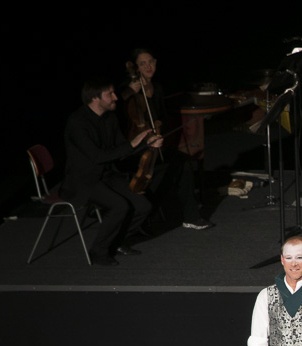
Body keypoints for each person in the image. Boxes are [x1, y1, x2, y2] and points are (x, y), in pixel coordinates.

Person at [62, 79, 161, 266]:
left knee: (143, 206)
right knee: (119, 206)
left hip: (107, 175)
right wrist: (133, 144)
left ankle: (116, 243)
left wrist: (147, 144)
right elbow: (97, 156)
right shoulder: (77, 122)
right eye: (110, 94)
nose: (116, 97)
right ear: (95, 98)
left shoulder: (110, 118)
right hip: (83, 180)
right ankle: (98, 251)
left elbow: (121, 150)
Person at [121, 48, 213, 231]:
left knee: (182, 162)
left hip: (155, 142)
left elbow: (161, 115)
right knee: (163, 170)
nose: (148, 66)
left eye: (151, 62)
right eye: (143, 64)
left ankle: (191, 217)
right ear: (136, 67)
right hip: (134, 148)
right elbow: (118, 113)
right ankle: (144, 216)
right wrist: (130, 91)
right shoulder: (126, 89)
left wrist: (158, 127)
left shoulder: (157, 87)